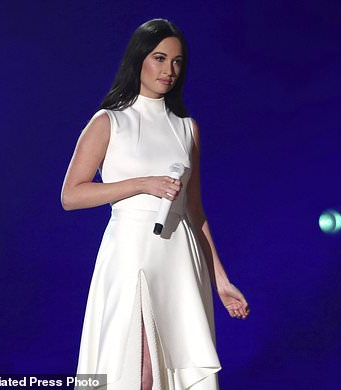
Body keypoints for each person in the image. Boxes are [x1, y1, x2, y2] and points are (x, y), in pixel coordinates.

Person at [61, 18, 250, 390]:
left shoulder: (187, 128)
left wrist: (222, 281)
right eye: (160, 58)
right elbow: (71, 195)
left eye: (177, 62)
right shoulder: (109, 121)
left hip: (178, 256)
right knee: (137, 366)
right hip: (131, 251)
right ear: (139, 60)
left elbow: (195, 212)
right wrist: (140, 184)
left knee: (171, 364)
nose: (169, 70)